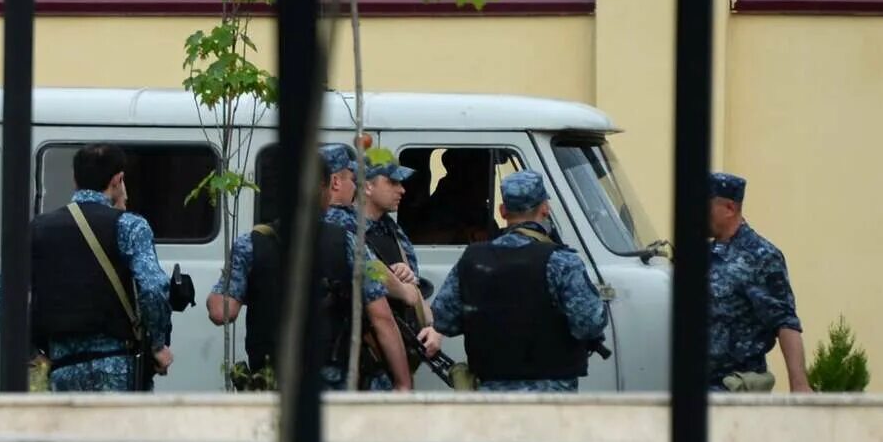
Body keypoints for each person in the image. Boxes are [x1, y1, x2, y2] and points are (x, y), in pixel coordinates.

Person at [208, 145, 414, 390]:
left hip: (272, 381)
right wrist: (403, 383)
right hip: (330, 382)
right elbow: (381, 318)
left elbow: (221, 312)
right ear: (326, 189)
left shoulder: (250, 244)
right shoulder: (347, 242)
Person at [0, 144, 174, 392]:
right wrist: (158, 345)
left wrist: (32, 354)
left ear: (75, 181)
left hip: (63, 368)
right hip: (119, 366)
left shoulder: (37, 230)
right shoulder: (129, 226)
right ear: (118, 180)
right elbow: (153, 287)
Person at [427, 171, 606, 392]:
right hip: (552, 392)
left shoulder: (472, 259)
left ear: (502, 211)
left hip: (491, 392)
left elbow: (443, 320)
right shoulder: (562, 261)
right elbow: (589, 324)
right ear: (545, 209)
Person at [706, 172, 811, 393]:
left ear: (729, 209)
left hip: (733, 389)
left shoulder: (761, 257)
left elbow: (785, 322)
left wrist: (800, 386)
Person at [358, 155, 439, 390]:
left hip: (395, 356)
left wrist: (429, 325)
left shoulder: (392, 230)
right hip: (364, 358)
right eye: (392, 183)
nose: (402, 190)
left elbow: (414, 290)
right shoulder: (347, 228)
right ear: (368, 186)